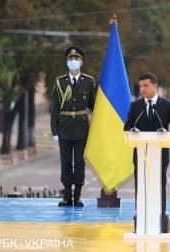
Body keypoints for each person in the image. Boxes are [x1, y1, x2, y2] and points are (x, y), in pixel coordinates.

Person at [124, 72, 170, 233]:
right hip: (140, 152)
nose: (142, 89)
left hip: (160, 152)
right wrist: (131, 130)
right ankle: (140, 214)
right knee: (140, 183)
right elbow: (127, 126)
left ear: (155, 86)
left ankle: (161, 215)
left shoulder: (166, 105)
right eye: (140, 86)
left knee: (160, 182)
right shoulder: (136, 106)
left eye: (146, 85)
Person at [51, 46, 97, 207]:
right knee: (65, 163)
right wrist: (54, 131)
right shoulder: (59, 82)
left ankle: (77, 196)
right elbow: (55, 109)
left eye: (76, 59)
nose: (73, 61)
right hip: (64, 128)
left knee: (79, 163)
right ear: (66, 62)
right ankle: (66, 196)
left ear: (81, 62)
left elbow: (94, 106)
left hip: (81, 128)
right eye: (70, 59)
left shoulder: (88, 81)